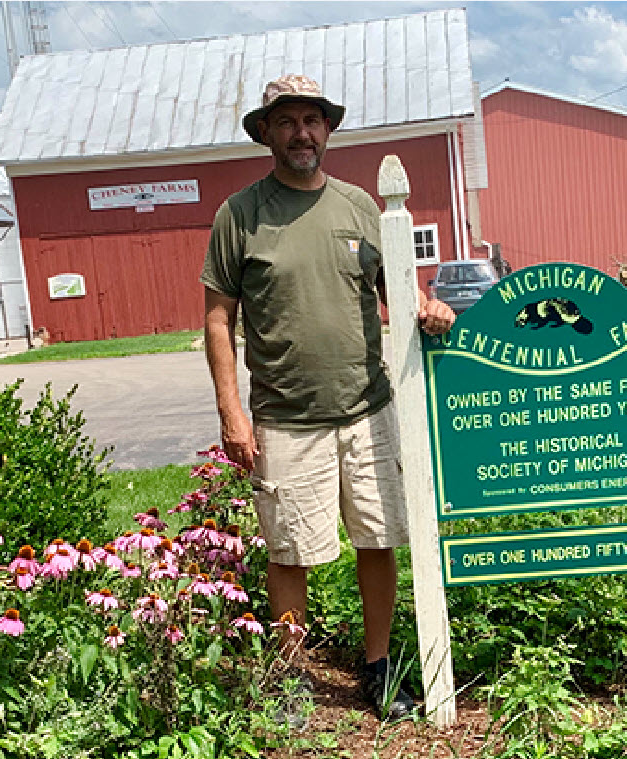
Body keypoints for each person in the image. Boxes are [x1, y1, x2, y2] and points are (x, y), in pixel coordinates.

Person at [200, 74, 455, 720]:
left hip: (368, 409)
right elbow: (216, 318)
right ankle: (289, 678)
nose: (301, 133)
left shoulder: (357, 207)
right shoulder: (240, 215)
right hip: (284, 418)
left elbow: (395, 290)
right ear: (267, 133)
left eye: (311, 120)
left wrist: (425, 308)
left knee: (378, 537)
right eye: (286, 122)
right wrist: (232, 411)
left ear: (327, 128)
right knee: (289, 550)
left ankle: (377, 667)